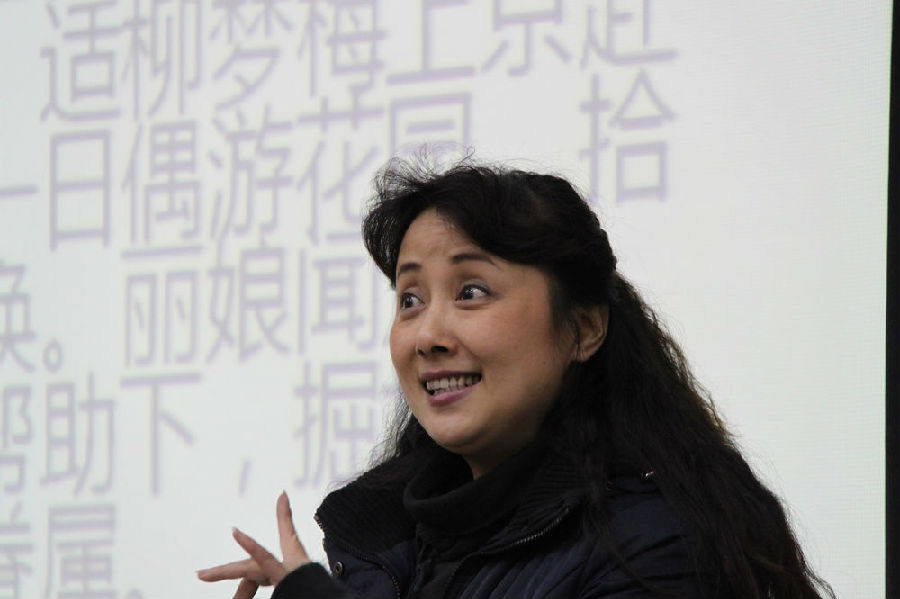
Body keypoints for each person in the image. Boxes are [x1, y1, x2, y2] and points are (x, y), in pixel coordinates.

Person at [197, 160, 834, 598]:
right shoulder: (388, 552)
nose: (427, 335)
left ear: (583, 329)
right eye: (410, 299)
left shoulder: (655, 545)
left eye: (471, 291)